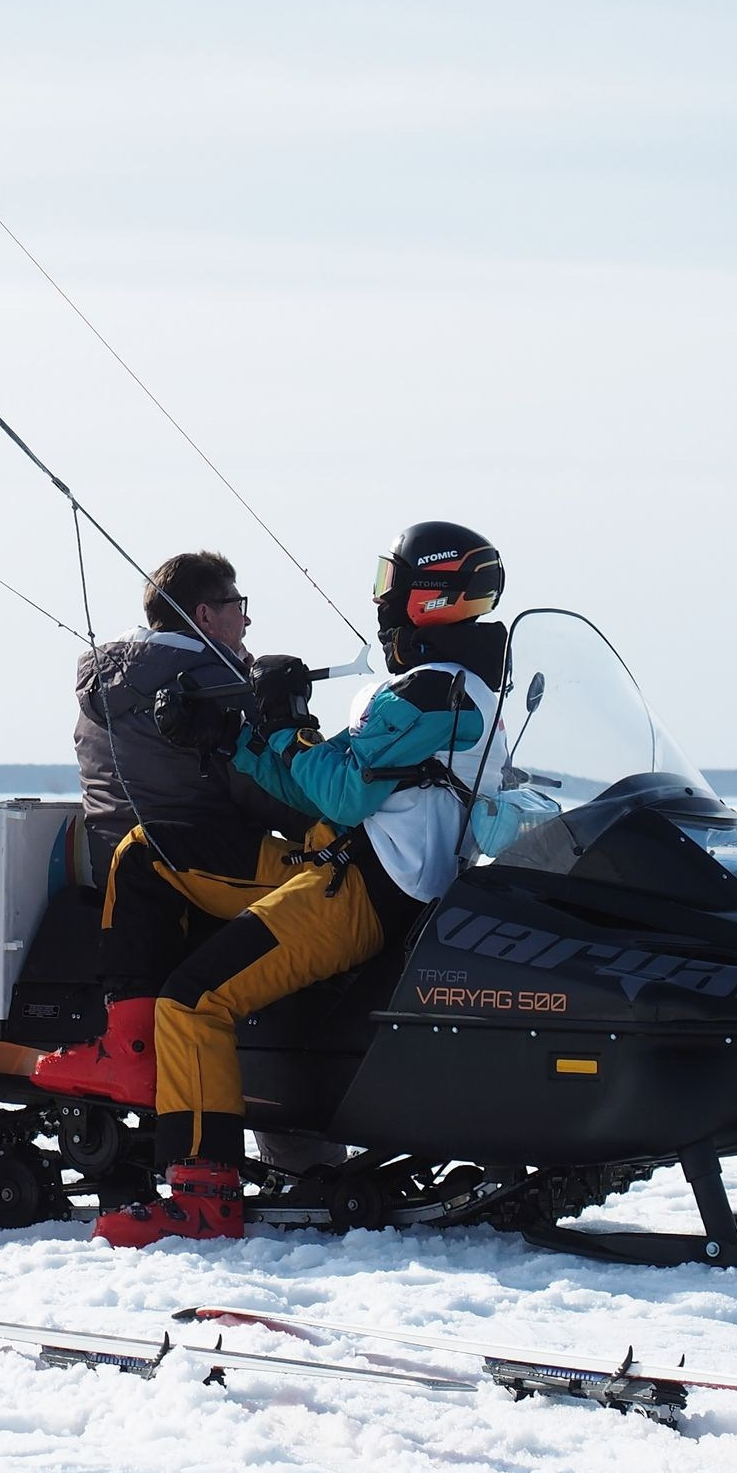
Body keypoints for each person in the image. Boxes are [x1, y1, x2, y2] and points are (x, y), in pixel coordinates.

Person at [96, 521, 510, 1247]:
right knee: (150, 857)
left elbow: (342, 795)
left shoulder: (434, 694)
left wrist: (286, 721)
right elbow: (320, 783)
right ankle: (136, 1062)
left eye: (389, 582)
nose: (380, 600)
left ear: (426, 595)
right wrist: (233, 739)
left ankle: (201, 1197)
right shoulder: (448, 688)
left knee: (193, 1001)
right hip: (358, 873)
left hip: (363, 891)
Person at [32, 551, 318, 1107]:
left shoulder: (98, 686)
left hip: (115, 869)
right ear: (204, 615)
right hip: (202, 871)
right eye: (238, 604)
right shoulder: (221, 686)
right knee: (340, 888)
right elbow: (275, 797)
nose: (246, 619)